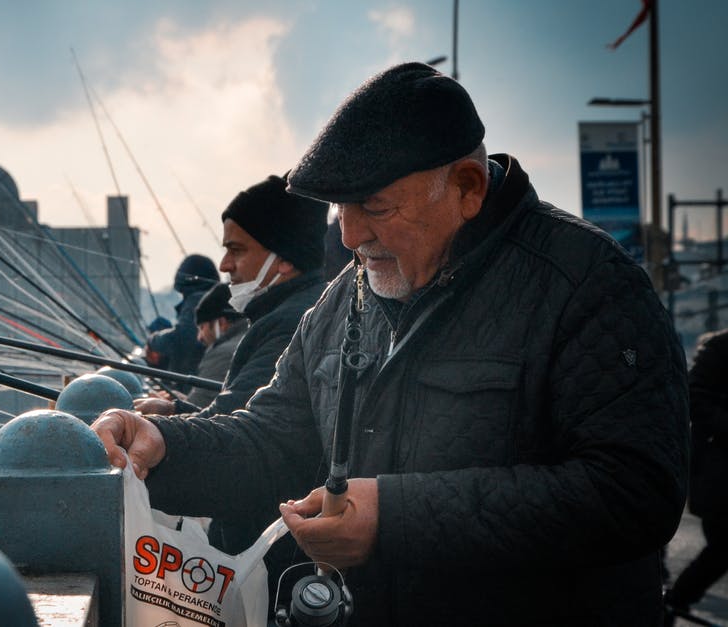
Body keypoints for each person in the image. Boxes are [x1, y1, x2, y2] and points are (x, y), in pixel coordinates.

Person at [93, 61, 688, 625]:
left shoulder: (588, 284)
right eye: (342, 209)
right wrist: (167, 446)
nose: (350, 236)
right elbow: (274, 437)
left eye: (374, 207)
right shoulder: (347, 295)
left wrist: (393, 519)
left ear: (468, 187)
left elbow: (633, 491)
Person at [133, 174, 330, 423]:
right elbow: (234, 415)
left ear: (285, 259)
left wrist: (155, 429)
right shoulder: (287, 312)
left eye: (236, 250)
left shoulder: (289, 324)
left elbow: (238, 427)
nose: (224, 265)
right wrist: (173, 411)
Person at [666, 329, 728, 621]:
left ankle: (676, 600)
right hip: (719, 473)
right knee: (723, 546)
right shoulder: (719, 349)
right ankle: (675, 600)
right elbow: (694, 397)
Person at [146, 254, 219, 392]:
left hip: (194, 388)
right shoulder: (214, 299)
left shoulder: (198, 300)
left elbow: (181, 337)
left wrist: (153, 340)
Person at [180, 283, 248, 409]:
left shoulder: (222, 353)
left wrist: (169, 407)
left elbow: (198, 409)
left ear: (221, 323)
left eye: (202, 327)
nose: (199, 337)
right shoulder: (253, 338)